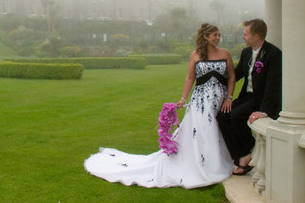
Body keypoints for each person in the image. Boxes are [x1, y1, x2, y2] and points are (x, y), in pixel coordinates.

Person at [84, 23, 235, 189]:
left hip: (220, 100)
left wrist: (229, 97)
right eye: (215, 35)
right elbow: (190, 78)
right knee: (203, 131)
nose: (218, 38)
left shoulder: (225, 53)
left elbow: (231, 77)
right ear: (206, 37)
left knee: (216, 130)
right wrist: (183, 99)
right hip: (200, 101)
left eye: (219, 35)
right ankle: (203, 166)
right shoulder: (196, 54)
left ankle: (215, 163)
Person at [217, 19, 282, 175]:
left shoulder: (274, 54)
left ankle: (248, 151)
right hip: (246, 96)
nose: (242, 37)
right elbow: (237, 73)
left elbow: (273, 86)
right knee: (222, 115)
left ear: (257, 36)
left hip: (260, 99)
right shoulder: (246, 52)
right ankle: (241, 155)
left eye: (245, 34)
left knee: (236, 115)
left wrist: (264, 110)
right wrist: (215, 81)